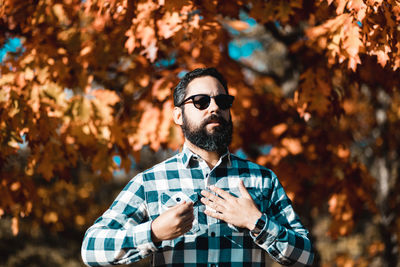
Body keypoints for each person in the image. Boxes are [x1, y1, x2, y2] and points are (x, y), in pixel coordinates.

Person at [81, 68, 314, 266]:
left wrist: (257, 222)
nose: (214, 108)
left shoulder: (262, 179)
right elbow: (91, 248)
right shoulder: (150, 182)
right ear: (178, 115)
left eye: (222, 101)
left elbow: (305, 256)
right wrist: (153, 233)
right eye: (201, 101)